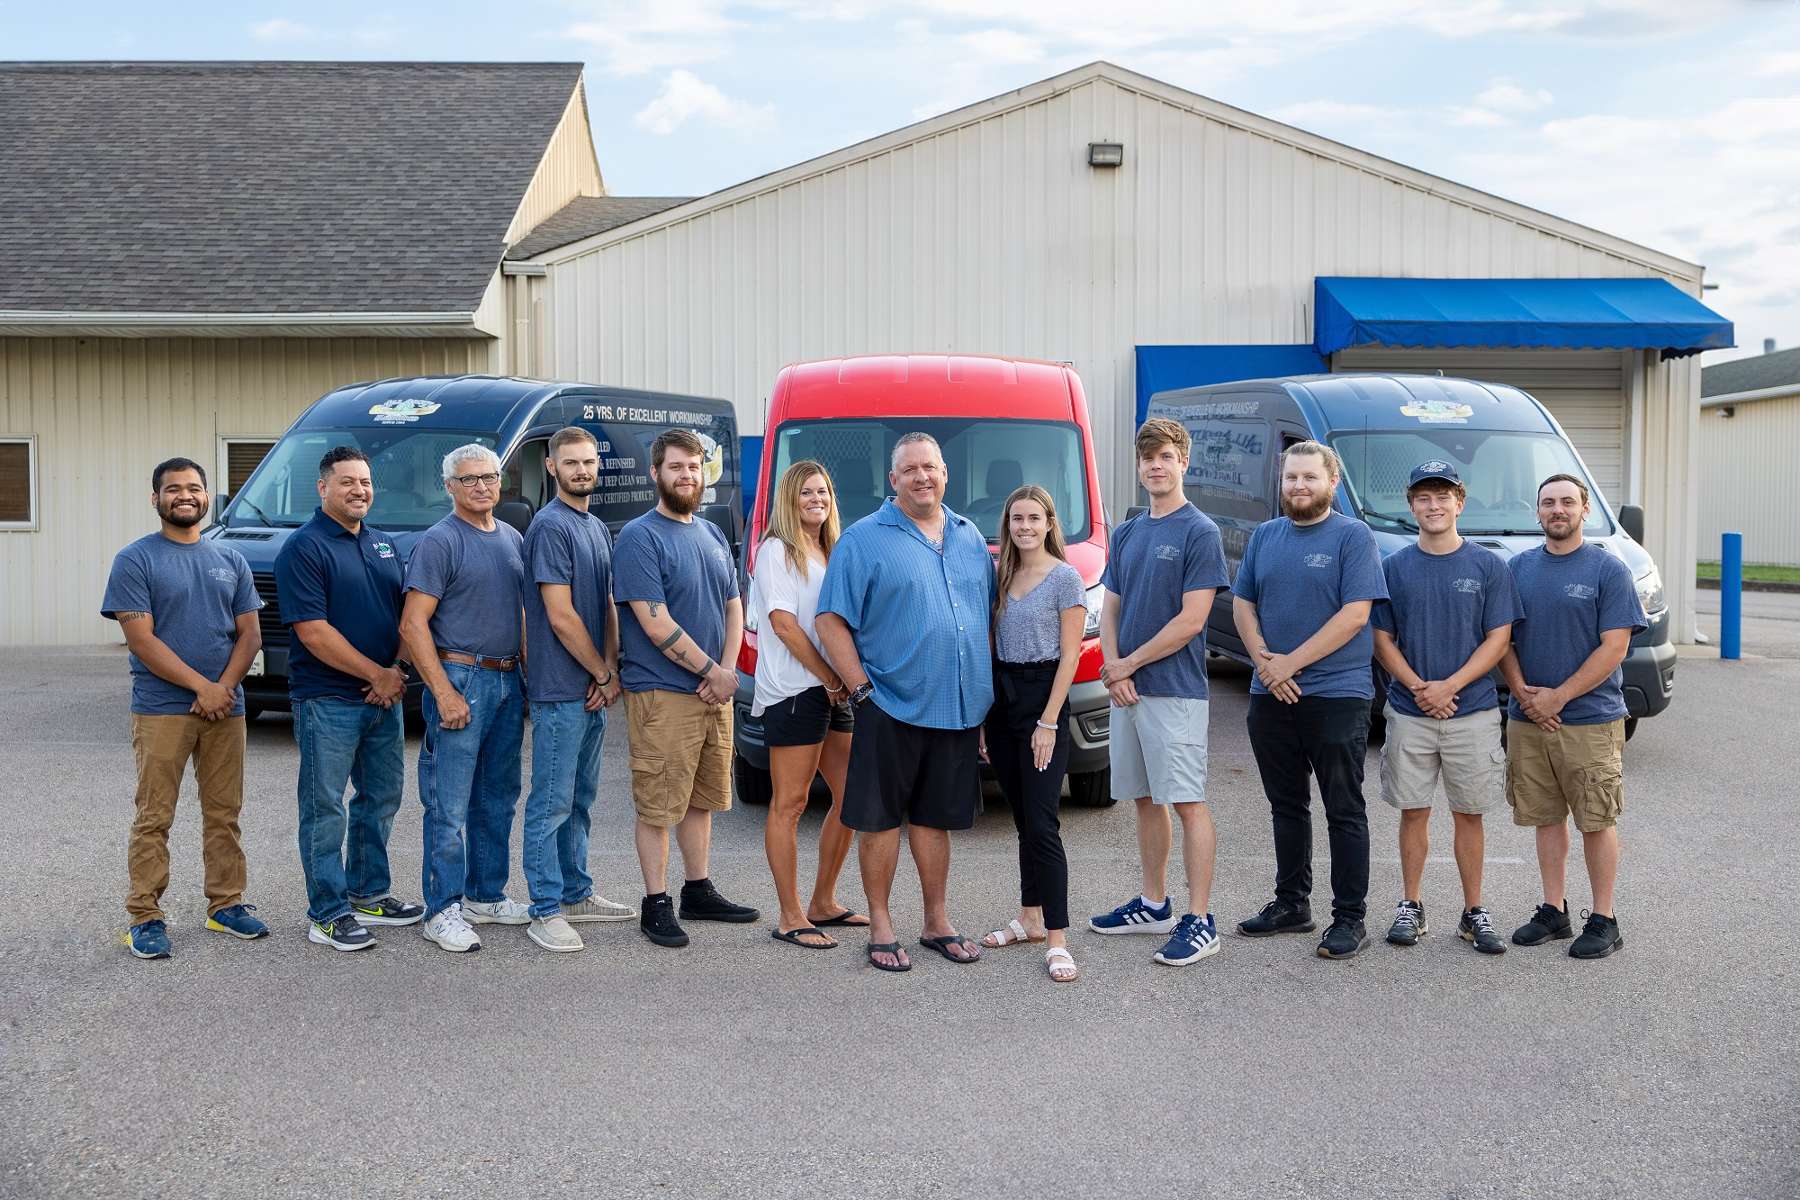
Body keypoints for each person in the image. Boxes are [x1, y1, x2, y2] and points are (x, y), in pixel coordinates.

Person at [816, 432, 995, 972]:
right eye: (910, 469)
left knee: (934, 820)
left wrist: (985, 700)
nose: (922, 477)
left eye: (931, 468)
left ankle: (936, 921)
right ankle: (881, 922)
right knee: (879, 821)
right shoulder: (863, 539)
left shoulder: (968, 537)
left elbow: (983, 620)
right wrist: (860, 689)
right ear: (892, 480)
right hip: (888, 705)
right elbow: (829, 620)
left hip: (958, 709)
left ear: (946, 474)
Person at [102, 457, 269, 959]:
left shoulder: (231, 559)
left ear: (206, 498)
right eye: (173, 489)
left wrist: (224, 688)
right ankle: (144, 916)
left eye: (194, 488)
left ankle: (226, 905)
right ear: (155, 499)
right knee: (155, 815)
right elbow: (141, 640)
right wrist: (203, 687)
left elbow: (250, 633)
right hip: (162, 709)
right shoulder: (135, 560)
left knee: (225, 813)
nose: (185, 496)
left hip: (226, 708)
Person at [1232, 440, 1388, 960]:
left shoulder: (1353, 537)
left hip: (1336, 695)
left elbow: (1355, 616)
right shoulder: (1266, 536)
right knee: (1286, 805)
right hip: (1270, 694)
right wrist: (1264, 663)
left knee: (1343, 809)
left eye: (1309, 477)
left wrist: (1288, 664)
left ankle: (1350, 918)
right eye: (1291, 477)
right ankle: (1292, 904)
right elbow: (1243, 604)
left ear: (1332, 482)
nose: (1298, 486)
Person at [1088, 419, 1230, 968]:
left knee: (1188, 802)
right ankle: (1154, 904)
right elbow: (1112, 608)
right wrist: (1117, 671)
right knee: (1145, 800)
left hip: (1175, 691)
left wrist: (1128, 663)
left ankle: (1200, 920)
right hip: (1129, 691)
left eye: (1166, 456)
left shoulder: (1201, 531)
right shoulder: (1126, 533)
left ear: (1184, 463)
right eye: (1147, 457)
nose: (1155, 465)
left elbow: (1192, 621)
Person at [614, 428, 760, 948]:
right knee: (658, 803)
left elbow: (733, 605)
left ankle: (697, 890)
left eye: (695, 467)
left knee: (701, 799)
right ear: (656, 473)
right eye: (677, 467)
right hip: (664, 694)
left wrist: (725, 671)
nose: (687, 476)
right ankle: (655, 903)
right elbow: (653, 623)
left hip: (711, 693)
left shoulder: (712, 533)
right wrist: (712, 674)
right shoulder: (639, 537)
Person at [275, 447, 421, 952]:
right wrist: (376, 674)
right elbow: (313, 632)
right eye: (347, 482)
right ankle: (328, 912)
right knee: (325, 808)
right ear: (322, 488)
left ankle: (367, 893)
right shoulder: (304, 548)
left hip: (383, 697)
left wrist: (397, 671)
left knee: (381, 798)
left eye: (365, 482)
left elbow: (407, 616)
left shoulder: (383, 544)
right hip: (327, 700)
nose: (359, 490)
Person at [1369, 461, 1519, 955]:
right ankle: (1411, 905)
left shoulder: (1488, 566)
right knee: (1413, 811)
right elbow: (1382, 638)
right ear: (1411, 505)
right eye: (1424, 497)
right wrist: (1418, 688)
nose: (1434, 506)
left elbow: (1499, 637)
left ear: (1460, 502)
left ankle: (1474, 911)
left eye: (1443, 496)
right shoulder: (1394, 567)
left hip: (1472, 710)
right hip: (1410, 711)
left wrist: (1449, 685)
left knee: (1468, 813)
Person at [1500, 473, 1646, 960]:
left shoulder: (1609, 570)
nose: (1557, 510)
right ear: (1536, 512)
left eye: (1567, 502)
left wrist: (1557, 697)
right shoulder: (1517, 568)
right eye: (1548, 503)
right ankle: (1553, 909)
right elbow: (1503, 639)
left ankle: (1605, 919)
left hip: (1589, 718)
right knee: (1545, 817)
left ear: (1585, 510)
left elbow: (1615, 646)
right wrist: (1523, 693)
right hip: (1528, 718)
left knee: (1596, 819)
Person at [399, 444, 530, 953]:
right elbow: (413, 624)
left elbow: (518, 613)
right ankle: (442, 909)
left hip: (506, 678)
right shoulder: (439, 542)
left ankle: (485, 895)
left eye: (490, 477)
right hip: (461, 676)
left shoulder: (513, 539)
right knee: (448, 804)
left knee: (497, 798)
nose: (481, 486)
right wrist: (443, 690)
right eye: (469, 479)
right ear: (448, 486)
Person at [519, 427, 637, 954]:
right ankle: (544, 909)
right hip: (559, 689)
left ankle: (575, 893)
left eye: (589, 462)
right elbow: (560, 615)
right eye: (571, 463)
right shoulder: (550, 528)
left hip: (591, 686)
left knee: (580, 799)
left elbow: (607, 607)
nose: (582, 471)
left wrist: (608, 668)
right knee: (551, 802)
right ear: (552, 467)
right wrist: (601, 673)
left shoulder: (594, 527)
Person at [750, 460, 867, 951]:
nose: (817, 499)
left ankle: (823, 901)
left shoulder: (830, 550)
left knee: (853, 798)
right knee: (791, 804)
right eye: (806, 493)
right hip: (797, 693)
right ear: (789, 500)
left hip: (832, 689)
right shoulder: (777, 550)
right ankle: (790, 915)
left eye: (823, 491)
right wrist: (828, 677)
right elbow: (782, 624)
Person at [979, 485, 1086, 982]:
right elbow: (989, 648)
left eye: (1033, 518)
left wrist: (1048, 721)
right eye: (1016, 517)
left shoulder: (1065, 578)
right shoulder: (1000, 576)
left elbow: (1070, 655)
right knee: (1022, 818)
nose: (1024, 526)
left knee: (1043, 824)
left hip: (1044, 700)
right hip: (1002, 704)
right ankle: (1030, 918)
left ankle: (1059, 939)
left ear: (1048, 524)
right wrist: (985, 717)